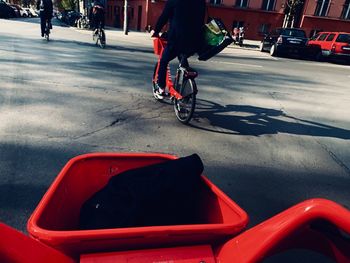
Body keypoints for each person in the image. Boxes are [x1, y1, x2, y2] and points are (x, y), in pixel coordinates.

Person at [151, 0, 206, 98]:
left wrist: (156, 31)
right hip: (195, 42)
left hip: (177, 39)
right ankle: (185, 81)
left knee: (163, 60)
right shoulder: (200, 1)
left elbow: (164, 17)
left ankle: (161, 88)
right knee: (183, 56)